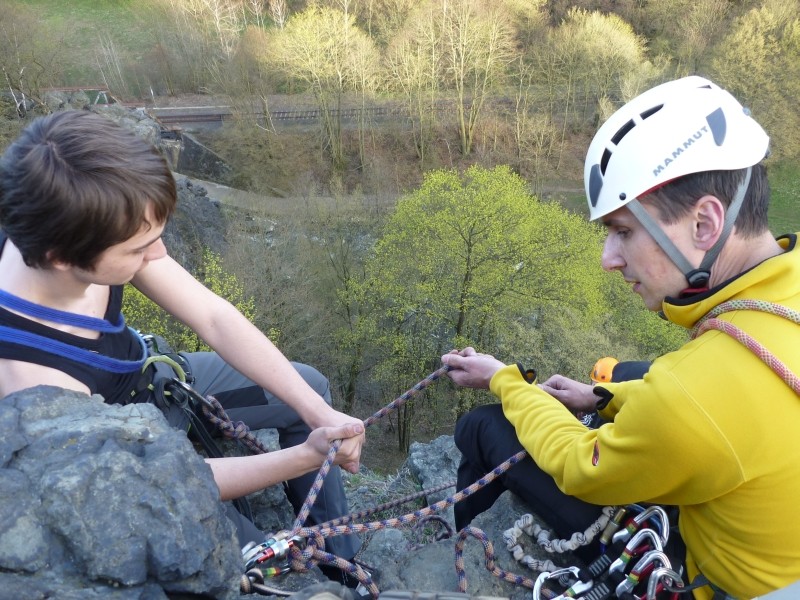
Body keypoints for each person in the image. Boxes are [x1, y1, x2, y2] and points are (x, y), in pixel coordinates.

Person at [441, 76, 800, 598]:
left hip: (718, 578)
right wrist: (601, 395)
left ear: (705, 224)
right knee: (631, 374)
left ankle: (449, 541)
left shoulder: (693, 394)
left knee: (484, 427)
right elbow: (709, 399)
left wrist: (504, 379)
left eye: (625, 231)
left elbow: (578, 466)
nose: (609, 259)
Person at [0, 109, 363, 580]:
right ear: (62, 258)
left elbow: (213, 317)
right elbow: (156, 479)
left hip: (148, 382)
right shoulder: (30, 380)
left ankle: (341, 559)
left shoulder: (87, 222)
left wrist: (320, 417)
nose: (158, 255)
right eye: (137, 250)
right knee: (225, 556)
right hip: (122, 458)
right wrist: (307, 456)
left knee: (308, 387)